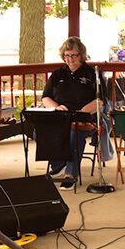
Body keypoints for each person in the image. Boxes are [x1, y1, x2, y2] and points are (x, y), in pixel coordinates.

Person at [41, 37, 100, 190]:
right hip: (60, 115)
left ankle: (70, 174)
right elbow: (46, 97)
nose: (70, 59)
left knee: (74, 132)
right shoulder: (57, 74)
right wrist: (58, 107)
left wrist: (81, 113)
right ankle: (59, 163)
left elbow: (100, 101)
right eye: (67, 55)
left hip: (85, 116)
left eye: (74, 55)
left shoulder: (92, 74)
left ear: (81, 55)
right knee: (39, 130)